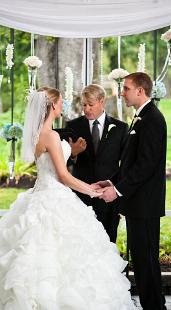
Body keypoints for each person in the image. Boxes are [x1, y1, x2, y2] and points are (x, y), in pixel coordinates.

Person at [0, 87, 134, 309]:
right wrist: (92, 190)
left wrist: (74, 155)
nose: (63, 105)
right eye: (60, 102)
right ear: (53, 106)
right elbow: (64, 176)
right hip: (54, 195)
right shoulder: (52, 135)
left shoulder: (37, 134)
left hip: (39, 193)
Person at [96, 72, 167, 310]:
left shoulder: (152, 120)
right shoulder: (141, 117)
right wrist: (111, 182)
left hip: (145, 205)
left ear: (140, 91)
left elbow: (146, 165)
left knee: (146, 261)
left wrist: (118, 191)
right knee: (142, 260)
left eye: (126, 88)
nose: (122, 92)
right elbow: (130, 163)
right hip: (138, 204)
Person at [65, 84, 128, 242]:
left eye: (90, 105)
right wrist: (73, 153)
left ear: (102, 101)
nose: (86, 109)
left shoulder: (120, 128)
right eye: (84, 105)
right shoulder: (73, 127)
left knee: (108, 242)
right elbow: (60, 163)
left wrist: (116, 189)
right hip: (81, 195)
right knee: (81, 243)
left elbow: (126, 164)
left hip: (107, 196)